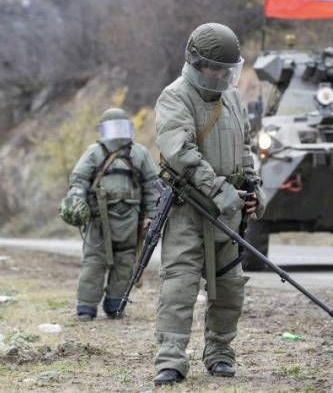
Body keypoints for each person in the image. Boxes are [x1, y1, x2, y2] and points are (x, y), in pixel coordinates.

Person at [152, 23, 266, 386]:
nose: (220, 76)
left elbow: (245, 149)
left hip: (227, 212)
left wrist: (253, 188)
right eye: (214, 69)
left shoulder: (232, 99)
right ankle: (170, 359)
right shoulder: (175, 97)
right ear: (196, 63)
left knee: (230, 284)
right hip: (189, 209)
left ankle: (219, 352)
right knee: (179, 285)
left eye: (226, 70)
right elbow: (181, 152)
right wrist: (217, 190)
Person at [59, 108, 159, 320]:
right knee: (94, 263)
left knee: (125, 263)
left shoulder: (139, 154)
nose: (117, 133)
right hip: (98, 220)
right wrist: (76, 200)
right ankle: (86, 307)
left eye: (121, 127)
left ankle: (115, 304)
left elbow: (152, 186)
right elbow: (79, 180)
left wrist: (151, 214)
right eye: (113, 128)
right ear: (103, 130)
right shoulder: (94, 152)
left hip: (132, 221)